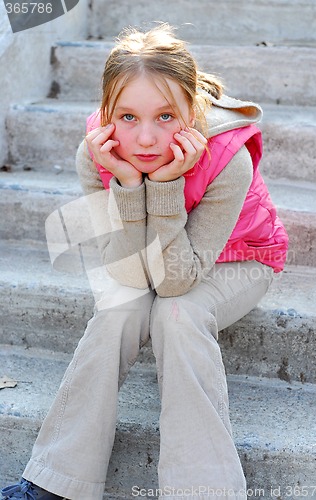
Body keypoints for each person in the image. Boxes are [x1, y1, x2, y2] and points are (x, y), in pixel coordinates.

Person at [2, 23, 288, 500]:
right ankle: (58, 482)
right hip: (149, 258)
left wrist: (168, 186)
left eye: (166, 116)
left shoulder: (226, 156)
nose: (148, 138)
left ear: (191, 111)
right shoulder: (97, 155)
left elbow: (174, 284)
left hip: (239, 259)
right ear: (108, 113)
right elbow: (128, 274)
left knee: (178, 313)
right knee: (120, 309)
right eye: (129, 116)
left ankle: (204, 490)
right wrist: (130, 187)